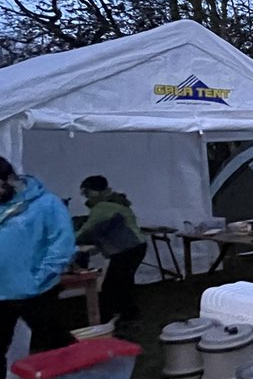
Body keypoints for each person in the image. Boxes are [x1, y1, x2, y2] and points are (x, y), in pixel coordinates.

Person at [0, 156, 75, 365]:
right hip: (2, 292)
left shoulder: (45, 204)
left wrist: (39, 278)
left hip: (36, 290)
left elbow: (62, 243)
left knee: (55, 343)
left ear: (10, 179)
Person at [76, 175, 148, 324]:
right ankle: (128, 313)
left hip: (128, 248)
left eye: (87, 192)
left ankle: (106, 317)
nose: (86, 197)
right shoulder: (116, 202)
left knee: (112, 285)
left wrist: (65, 239)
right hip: (135, 247)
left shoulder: (103, 207)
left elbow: (87, 231)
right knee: (123, 282)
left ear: (96, 191)